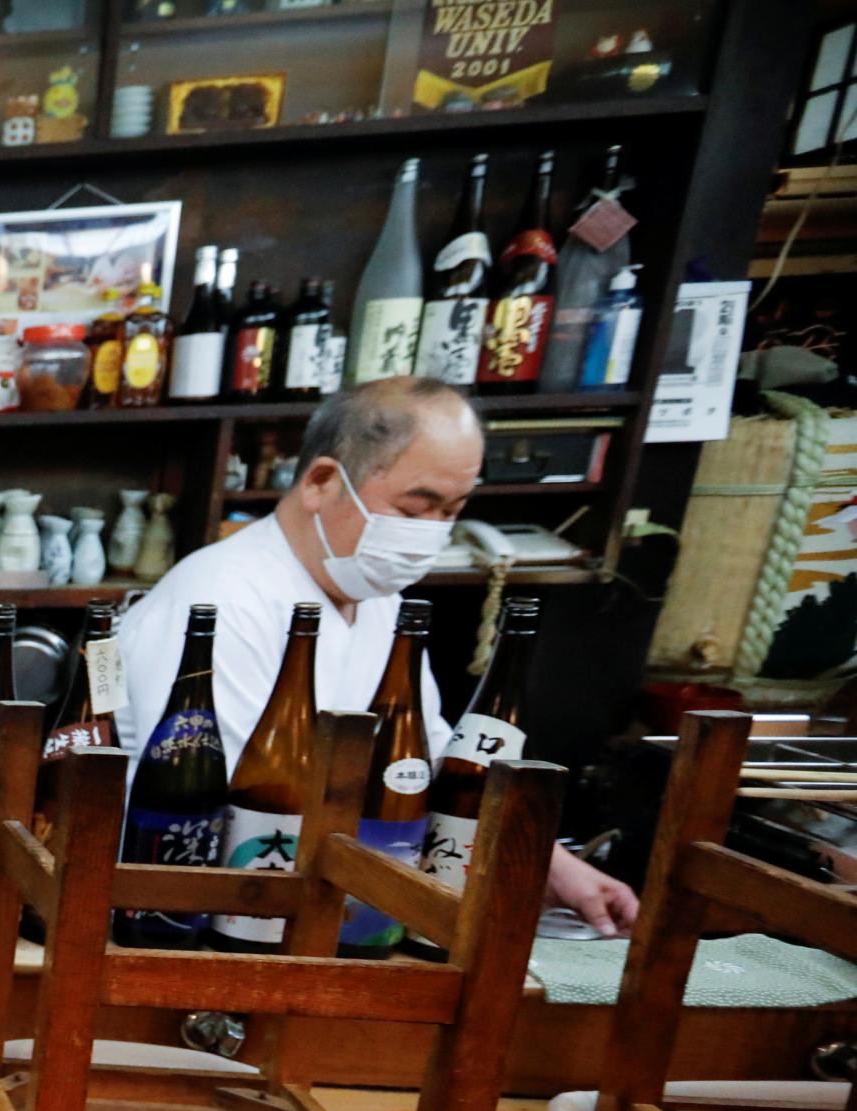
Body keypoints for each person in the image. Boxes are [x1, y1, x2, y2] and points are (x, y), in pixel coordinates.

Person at [117, 375, 639, 936]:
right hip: (212, 913)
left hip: (339, 903)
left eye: (453, 511)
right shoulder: (220, 597)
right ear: (321, 481)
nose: (434, 533)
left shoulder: (381, 602)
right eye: (416, 509)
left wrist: (550, 865)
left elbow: (429, 756)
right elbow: (250, 799)